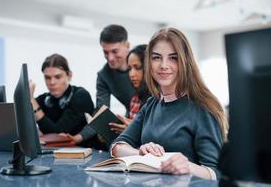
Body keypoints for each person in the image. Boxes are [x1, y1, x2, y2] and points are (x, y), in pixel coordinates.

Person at [111, 28, 228, 180]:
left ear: (185, 62)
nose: (163, 65)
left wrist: (188, 166)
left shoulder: (203, 107)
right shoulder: (152, 104)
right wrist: (141, 152)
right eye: (156, 58)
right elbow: (117, 146)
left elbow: (217, 173)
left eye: (173, 58)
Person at [29, 54, 95, 146]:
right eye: (47, 78)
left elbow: (56, 135)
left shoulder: (81, 96)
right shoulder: (45, 99)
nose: (52, 82)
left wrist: (31, 100)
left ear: (69, 75)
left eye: (58, 77)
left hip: (87, 154)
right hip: (57, 154)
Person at [109, 44, 151, 134]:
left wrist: (133, 130)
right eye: (129, 68)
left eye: (138, 67)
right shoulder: (135, 99)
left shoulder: (160, 100)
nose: (131, 74)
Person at [96, 24, 135, 115]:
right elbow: (101, 110)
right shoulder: (103, 76)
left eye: (115, 51)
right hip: (131, 120)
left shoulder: (146, 63)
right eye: (106, 52)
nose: (110, 58)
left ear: (127, 46)